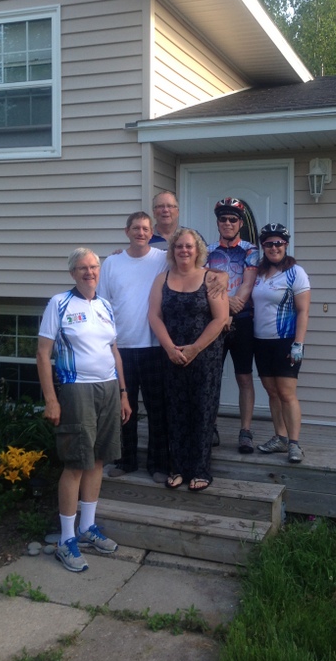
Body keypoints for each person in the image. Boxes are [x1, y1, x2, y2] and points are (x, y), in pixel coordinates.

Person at [36, 247, 132, 572]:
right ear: (73, 273)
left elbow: (114, 351)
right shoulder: (59, 303)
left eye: (94, 267)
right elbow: (42, 353)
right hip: (76, 389)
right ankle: (66, 539)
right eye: (82, 268)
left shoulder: (105, 305)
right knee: (76, 462)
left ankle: (87, 527)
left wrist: (123, 393)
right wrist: (51, 399)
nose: (89, 272)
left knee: (99, 459)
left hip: (109, 388)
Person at [148, 228, 229, 491]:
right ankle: (178, 468)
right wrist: (169, 348)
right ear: (172, 250)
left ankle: (201, 470)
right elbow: (154, 316)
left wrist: (195, 349)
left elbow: (220, 319)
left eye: (189, 246)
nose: (184, 250)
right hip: (172, 355)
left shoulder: (211, 278)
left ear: (198, 251)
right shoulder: (162, 279)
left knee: (202, 411)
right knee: (175, 411)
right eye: (179, 246)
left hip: (205, 356)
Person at [98, 211, 170, 483]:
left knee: (157, 409)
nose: (141, 233)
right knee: (124, 409)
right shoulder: (112, 263)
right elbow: (103, 304)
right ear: (126, 231)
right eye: (136, 228)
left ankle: (158, 464)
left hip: (154, 347)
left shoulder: (163, 260)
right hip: (121, 349)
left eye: (146, 229)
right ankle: (126, 460)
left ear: (152, 233)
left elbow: (195, 261)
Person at [252, 224, 311, 464]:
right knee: (272, 392)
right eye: (269, 244)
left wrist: (299, 343)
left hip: (286, 341)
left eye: (278, 243)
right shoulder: (258, 273)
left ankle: (294, 444)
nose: (274, 248)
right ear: (263, 247)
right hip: (261, 341)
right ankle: (280, 438)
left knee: (287, 394)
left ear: (286, 245)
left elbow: (303, 311)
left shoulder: (296, 272)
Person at [206, 198, 259, 454]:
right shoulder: (207, 251)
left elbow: (248, 283)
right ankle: (211, 426)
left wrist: (232, 308)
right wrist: (225, 310)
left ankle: (245, 431)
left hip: (242, 318)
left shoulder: (250, 250)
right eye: (223, 219)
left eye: (233, 219)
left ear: (240, 223)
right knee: (212, 376)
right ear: (217, 222)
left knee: (244, 376)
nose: (227, 223)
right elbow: (204, 284)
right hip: (215, 319)